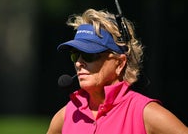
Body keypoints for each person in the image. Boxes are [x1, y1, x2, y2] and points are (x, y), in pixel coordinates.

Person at [46, 8, 188, 134]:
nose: (78, 63)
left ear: (119, 63)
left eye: (89, 55)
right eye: (75, 55)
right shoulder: (66, 115)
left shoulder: (146, 113)